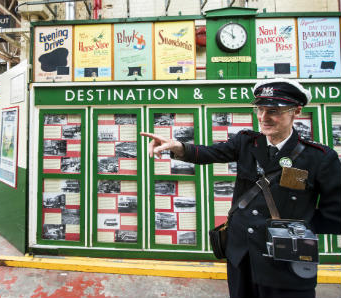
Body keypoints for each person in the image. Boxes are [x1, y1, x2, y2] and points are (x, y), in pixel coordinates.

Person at [141, 78, 341, 298]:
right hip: (242, 256)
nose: (264, 118)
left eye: (273, 111)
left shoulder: (319, 158)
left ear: (297, 111)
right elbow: (210, 153)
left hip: (286, 263)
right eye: (260, 109)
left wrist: (297, 227)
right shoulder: (247, 142)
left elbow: (336, 214)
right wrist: (178, 147)